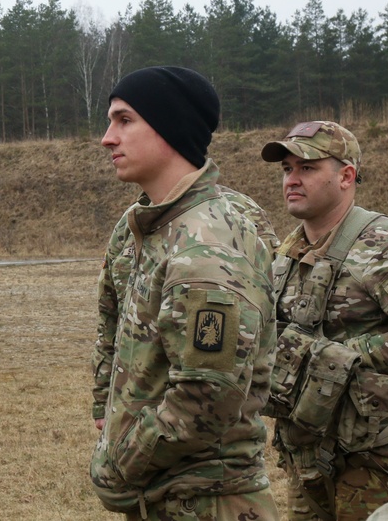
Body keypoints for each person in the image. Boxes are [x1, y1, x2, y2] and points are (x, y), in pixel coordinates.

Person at [88, 66, 278, 520]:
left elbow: (207, 399)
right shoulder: (161, 227)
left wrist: (121, 462)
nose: (107, 138)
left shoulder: (205, 243)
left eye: (124, 120)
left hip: (203, 500)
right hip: (168, 492)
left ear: (169, 127)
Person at [260, 121, 388, 520]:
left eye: (307, 168)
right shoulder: (287, 251)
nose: (292, 180)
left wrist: (346, 358)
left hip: (370, 455)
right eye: (287, 169)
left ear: (346, 175)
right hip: (304, 449)